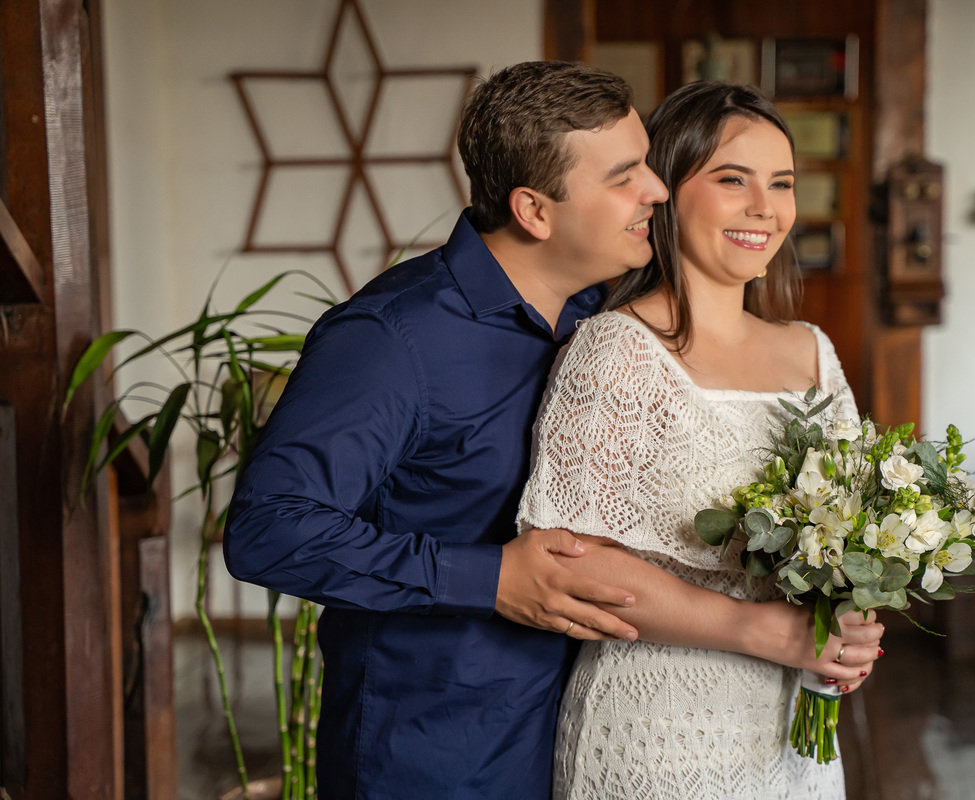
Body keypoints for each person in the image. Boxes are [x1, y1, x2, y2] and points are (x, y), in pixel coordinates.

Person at [223, 61, 668, 798]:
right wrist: (491, 578)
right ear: (534, 210)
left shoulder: (605, 321)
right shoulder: (391, 338)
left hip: (581, 739)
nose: (655, 189)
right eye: (625, 175)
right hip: (430, 756)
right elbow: (269, 528)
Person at [516, 81, 876, 799]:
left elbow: (861, 532)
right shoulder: (616, 351)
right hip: (657, 733)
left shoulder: (812, 352)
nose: (765, 209)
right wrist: (765, 632)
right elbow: (573, 566)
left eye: (782, 183)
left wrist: (855, 613)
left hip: (795, 742)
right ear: (667, 191)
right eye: (732, 179)